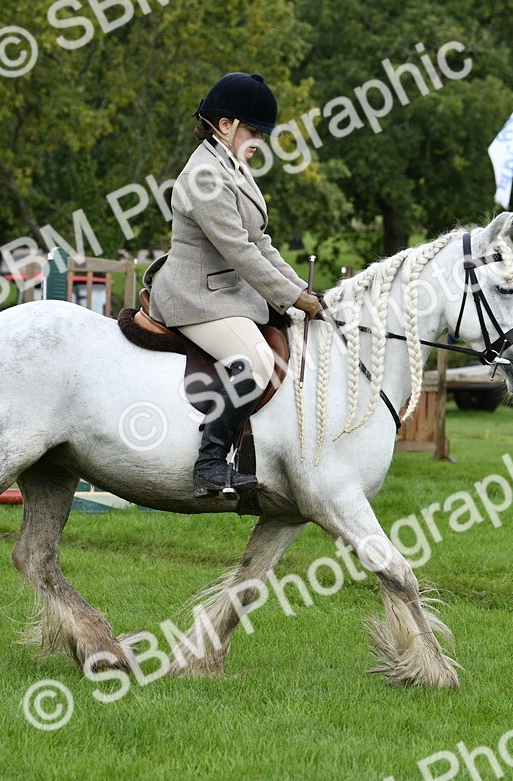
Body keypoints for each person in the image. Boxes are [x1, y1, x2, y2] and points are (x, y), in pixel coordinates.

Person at [147, 72, 322, 498]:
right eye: (254, 131)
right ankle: (209, 465)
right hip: (195, 295)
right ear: (224, 125)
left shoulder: (232, 165)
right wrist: (291, 297)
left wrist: (302, 291)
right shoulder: (205, 175)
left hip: (225, 292)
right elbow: (239, 251)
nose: (259, 140)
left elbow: (260, 242)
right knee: (258, 362)